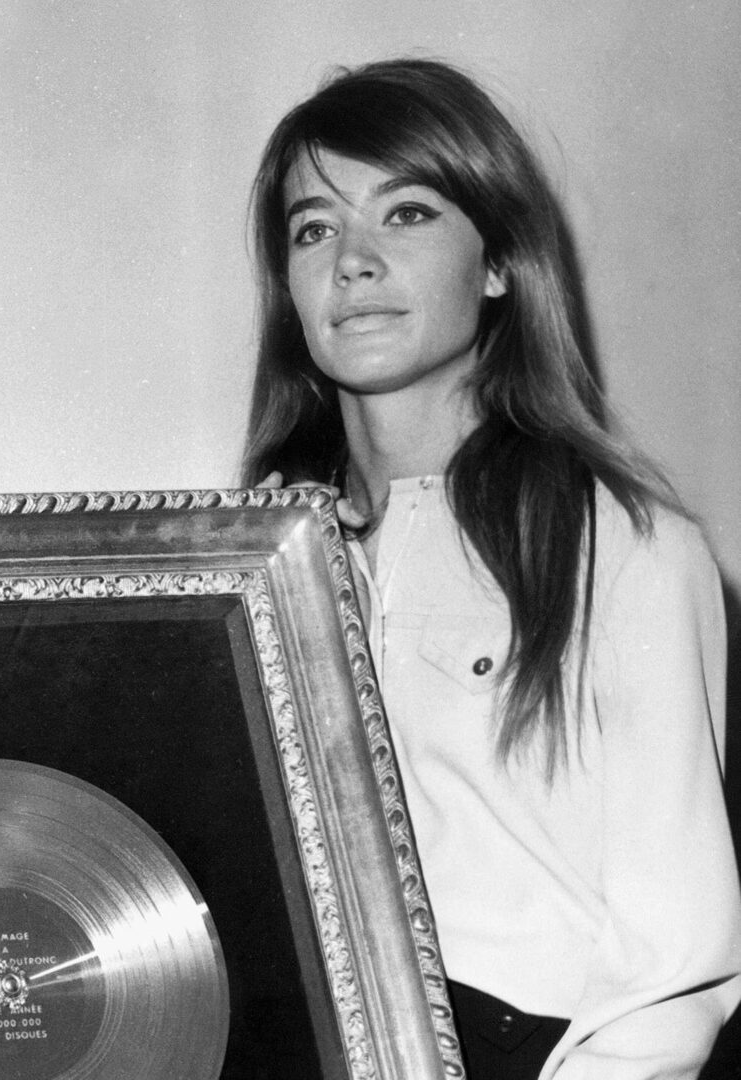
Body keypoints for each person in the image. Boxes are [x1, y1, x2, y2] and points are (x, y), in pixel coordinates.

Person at [242, 58, 741, 1079]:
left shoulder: (628, 550)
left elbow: (671, 975)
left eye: (407, 214)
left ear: (498, 265)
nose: (353, 262)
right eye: (313, 229)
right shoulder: (251, 566)